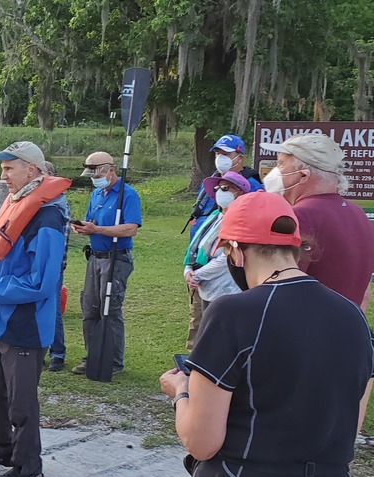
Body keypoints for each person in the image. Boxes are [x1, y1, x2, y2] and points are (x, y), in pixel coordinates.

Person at [160, 191, 374, 477]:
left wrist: (181, 392)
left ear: (235, 250)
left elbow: (201, 443)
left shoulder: (233, 313)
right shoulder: (354, 317)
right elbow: (350, 427)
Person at [0, 141, 70, 477]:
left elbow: (41, 283)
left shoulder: (49, 217)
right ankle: (2, 447)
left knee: (21, 402)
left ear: (33, 171)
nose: (3, 174)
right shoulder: (17, 204)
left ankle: (29, 466)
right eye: (3, 167)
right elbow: (8, 259)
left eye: (10, 168)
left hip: (25, 324)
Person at [259, 133, 374, 307]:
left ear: (303, 175)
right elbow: (364, 292)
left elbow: (280, 289)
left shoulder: (298, 217)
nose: (274, 172)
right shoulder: (358, 215)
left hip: (303, 328)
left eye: (281, 164)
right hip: (348, 327)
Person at [184, 135, 263, 354]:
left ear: (239, 156)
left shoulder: (252, 188)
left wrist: (199, 273)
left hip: (227, 277)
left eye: (226, 154)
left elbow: (235, 248)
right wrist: (190, 267)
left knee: (220, 330)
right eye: (218, 154)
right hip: (201, 266)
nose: (220, 158)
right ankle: (192, 367)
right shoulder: (213, 183)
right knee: (197, 323)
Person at [71, 152, 141, 376]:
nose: (94, 177)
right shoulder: (96, 194)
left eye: (97, 172)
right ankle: (92, 355)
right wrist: (84, 227)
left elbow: (131, 229)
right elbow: (92, 221)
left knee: (110, 309)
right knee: (89, 307)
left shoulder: (127, 195)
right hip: (95, 257)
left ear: (110, 169)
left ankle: (113, 361)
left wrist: (97, 230)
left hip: (116, 258)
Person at [181, 171, 251, 350]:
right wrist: (188, 268)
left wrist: (197, 274)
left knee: (219, 336)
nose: (220, 192)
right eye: (218, 188)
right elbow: (196, 245)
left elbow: (226, 257)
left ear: (240, 193)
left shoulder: (241, 221)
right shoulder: (215, 216)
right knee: (201, 329)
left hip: (225, 288)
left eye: (226, 188)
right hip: (204, 284)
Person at [43, 160, 70, 372]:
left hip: (53, 264)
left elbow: (62, 238)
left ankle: (57, 354)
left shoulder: (58, 202)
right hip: (38, 263)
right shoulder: (38, 200)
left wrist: (57, 264)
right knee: (39, 306)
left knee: (52, 307)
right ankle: (40, 349)